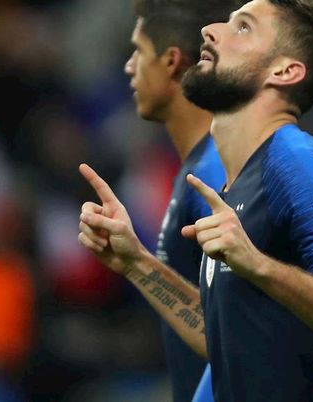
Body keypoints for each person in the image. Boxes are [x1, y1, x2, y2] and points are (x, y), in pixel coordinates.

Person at [78, 0, 313, 400]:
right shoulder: (239, 183)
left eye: (243, 27)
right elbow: (229, 343)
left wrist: (258, 265)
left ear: (284, 71)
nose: (210, 31)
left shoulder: (297, 161)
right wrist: (136, 263)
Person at [79, 1, 243, 401]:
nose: (129, 67)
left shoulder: (217, 173)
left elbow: (246, 340)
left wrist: (138, 264)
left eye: (138, 52)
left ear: (171, 61)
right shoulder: (196, 169)